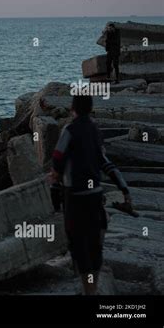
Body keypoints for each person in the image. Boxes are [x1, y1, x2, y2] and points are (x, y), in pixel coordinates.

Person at [49, 96, 131, 295]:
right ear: (91, 109)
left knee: (78, 243)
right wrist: (124, 189)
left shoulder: (69, 130)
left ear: (72, 109)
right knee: (94, 242)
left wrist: (55, 186)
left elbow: (58, 158)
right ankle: (92, 286)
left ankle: (89, 290)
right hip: (95, 194)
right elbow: (105, 162)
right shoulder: (94, 130)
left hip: (75, 196)